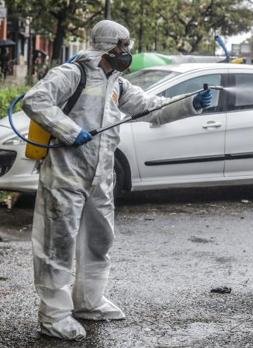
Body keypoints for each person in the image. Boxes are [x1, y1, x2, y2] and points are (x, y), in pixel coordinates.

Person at [21, 20, 213, 340]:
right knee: (58, 244)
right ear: (107, 45)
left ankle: (89, 301)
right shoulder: (72, 73)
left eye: (128, 44)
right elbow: (35, 101)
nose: (128, 51)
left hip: (100, 177)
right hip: (65, 174)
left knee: (99, 240)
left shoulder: (117, 83)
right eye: (123, 45)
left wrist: (190, 104)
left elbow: (149, 108)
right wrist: (69, 131)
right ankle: (53, 316)